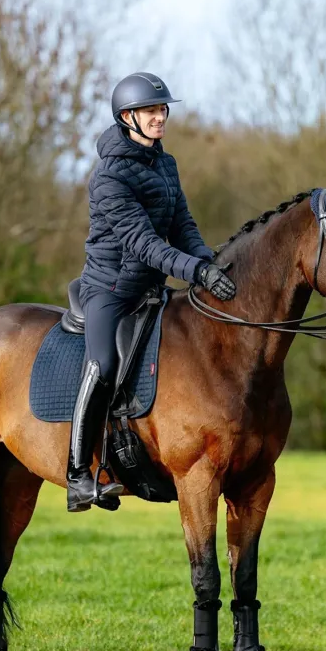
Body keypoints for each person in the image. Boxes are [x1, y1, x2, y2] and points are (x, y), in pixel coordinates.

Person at [66, 71, 236, 513]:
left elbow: (182, 226)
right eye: (150, 111)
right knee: (102, 366)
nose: (160, 117)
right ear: (127, 118)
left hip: (153, 290)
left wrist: (209, 260)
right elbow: (144, 245)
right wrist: (196, 272)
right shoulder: (107, 178)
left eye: (162, 110)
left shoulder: (165, 163)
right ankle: (78, 474)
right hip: (111, 290)